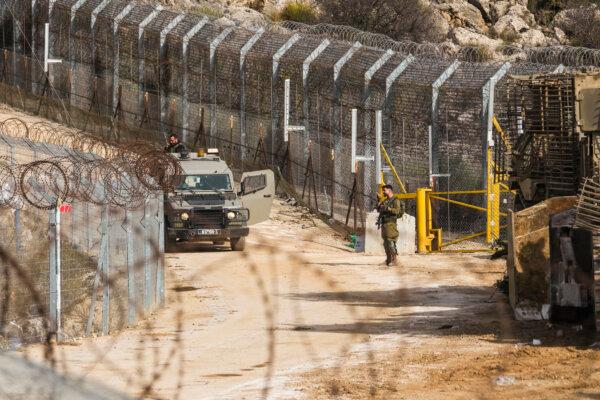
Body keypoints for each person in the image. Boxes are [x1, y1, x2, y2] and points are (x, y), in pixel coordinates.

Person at [377, 184, 404, 266]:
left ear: (389, 190)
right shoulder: (386, 201)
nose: (383, 192)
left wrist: (388, 208)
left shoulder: (395, 200)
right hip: (385, 223)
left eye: (384, 190)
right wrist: (378, 202)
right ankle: (388, 260)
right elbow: (380, 210)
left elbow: (397, 211)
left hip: (391, 224)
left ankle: (394, 260)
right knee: (385, 243)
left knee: (390, 241)